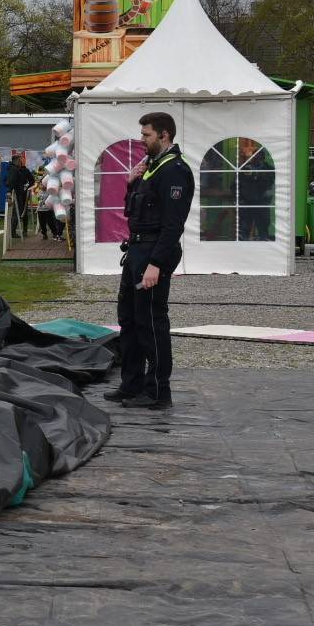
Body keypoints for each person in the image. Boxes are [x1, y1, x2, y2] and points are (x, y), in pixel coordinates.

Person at [108, 111, 194, 410]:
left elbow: (172, 225)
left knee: (151, 323)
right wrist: (131, 183)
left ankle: (158, 390)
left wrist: (156, 264)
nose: (142, 140)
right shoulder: (152, 168)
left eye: (146, 135)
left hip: (153, 252)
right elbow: (137, 212)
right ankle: (131, 384)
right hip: (136, 250)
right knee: (129, 319)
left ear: (164, 135)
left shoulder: (175, 171)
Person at [6, 152, 34, 239]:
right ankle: (12, 232)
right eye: (19, 160)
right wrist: (9, 191)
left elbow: (31, 180)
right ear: (16, 160)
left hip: (22, 194)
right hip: (17, 194)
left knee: (22, 212)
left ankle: (22, 231)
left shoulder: (23, 170)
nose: (21, 161)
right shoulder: (13, 169)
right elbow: (10, 182)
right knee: (16, 213)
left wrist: (27, 187)